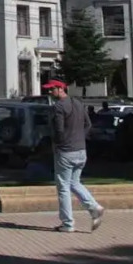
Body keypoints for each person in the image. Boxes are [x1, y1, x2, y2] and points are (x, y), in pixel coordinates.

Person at [44, 79, 104, 232]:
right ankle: (94, 208)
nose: (49, 92)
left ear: (60, 89)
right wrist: (79, 138)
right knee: (74, 183)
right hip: (81, 150)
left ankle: (67, 223)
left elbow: (58, 130)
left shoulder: (58, 107)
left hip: (65, 151)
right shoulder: (78, 103)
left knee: (63, 187)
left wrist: (59, 144)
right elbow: (88, 124)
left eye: (51, 90)